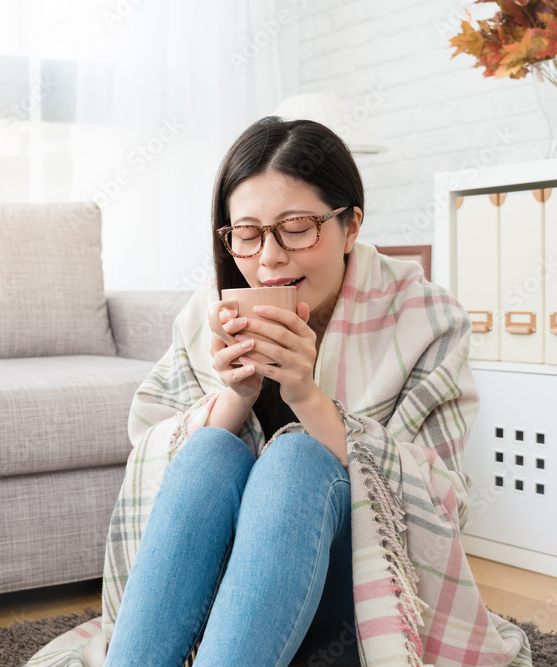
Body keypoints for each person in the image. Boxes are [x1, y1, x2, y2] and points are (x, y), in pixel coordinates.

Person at [101, 117, 532, 666]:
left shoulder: (425, 317)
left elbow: (441, 500)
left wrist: (307, 396)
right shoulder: (207, 311)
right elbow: (152, 462)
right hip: (219, 610)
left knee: (297, 458)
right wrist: (236, 396)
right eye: (248, 233)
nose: (269, 258)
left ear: (351, 226)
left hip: (362, 608)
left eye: (297, 227)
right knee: (206, 448)